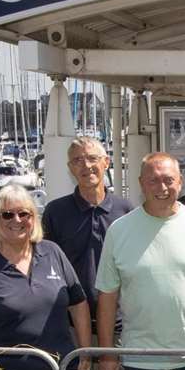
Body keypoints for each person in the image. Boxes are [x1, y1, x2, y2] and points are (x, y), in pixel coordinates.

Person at [94, 153, 185, 370]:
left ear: (180, 182)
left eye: (168, 180)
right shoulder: (118, 230)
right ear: (142, 183)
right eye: (153, 180)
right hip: (138, 361)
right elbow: (107, 298)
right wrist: (107, 355)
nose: (162, 187)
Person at [0, 184, 91, 370]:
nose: (16, 220)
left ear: (33, 218)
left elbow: (78, 304)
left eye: (24, 214)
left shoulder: (52, 252)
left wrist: (84, 352)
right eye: (7, 215)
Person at [41, 136, 134, 341]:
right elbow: (45, 266)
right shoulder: (55, 212)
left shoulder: (126, 210)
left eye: (92, 158)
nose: (86, 165)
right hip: (70, 325)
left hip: (120, 325)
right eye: (77, 160)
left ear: (106, 162)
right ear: (70, 167)